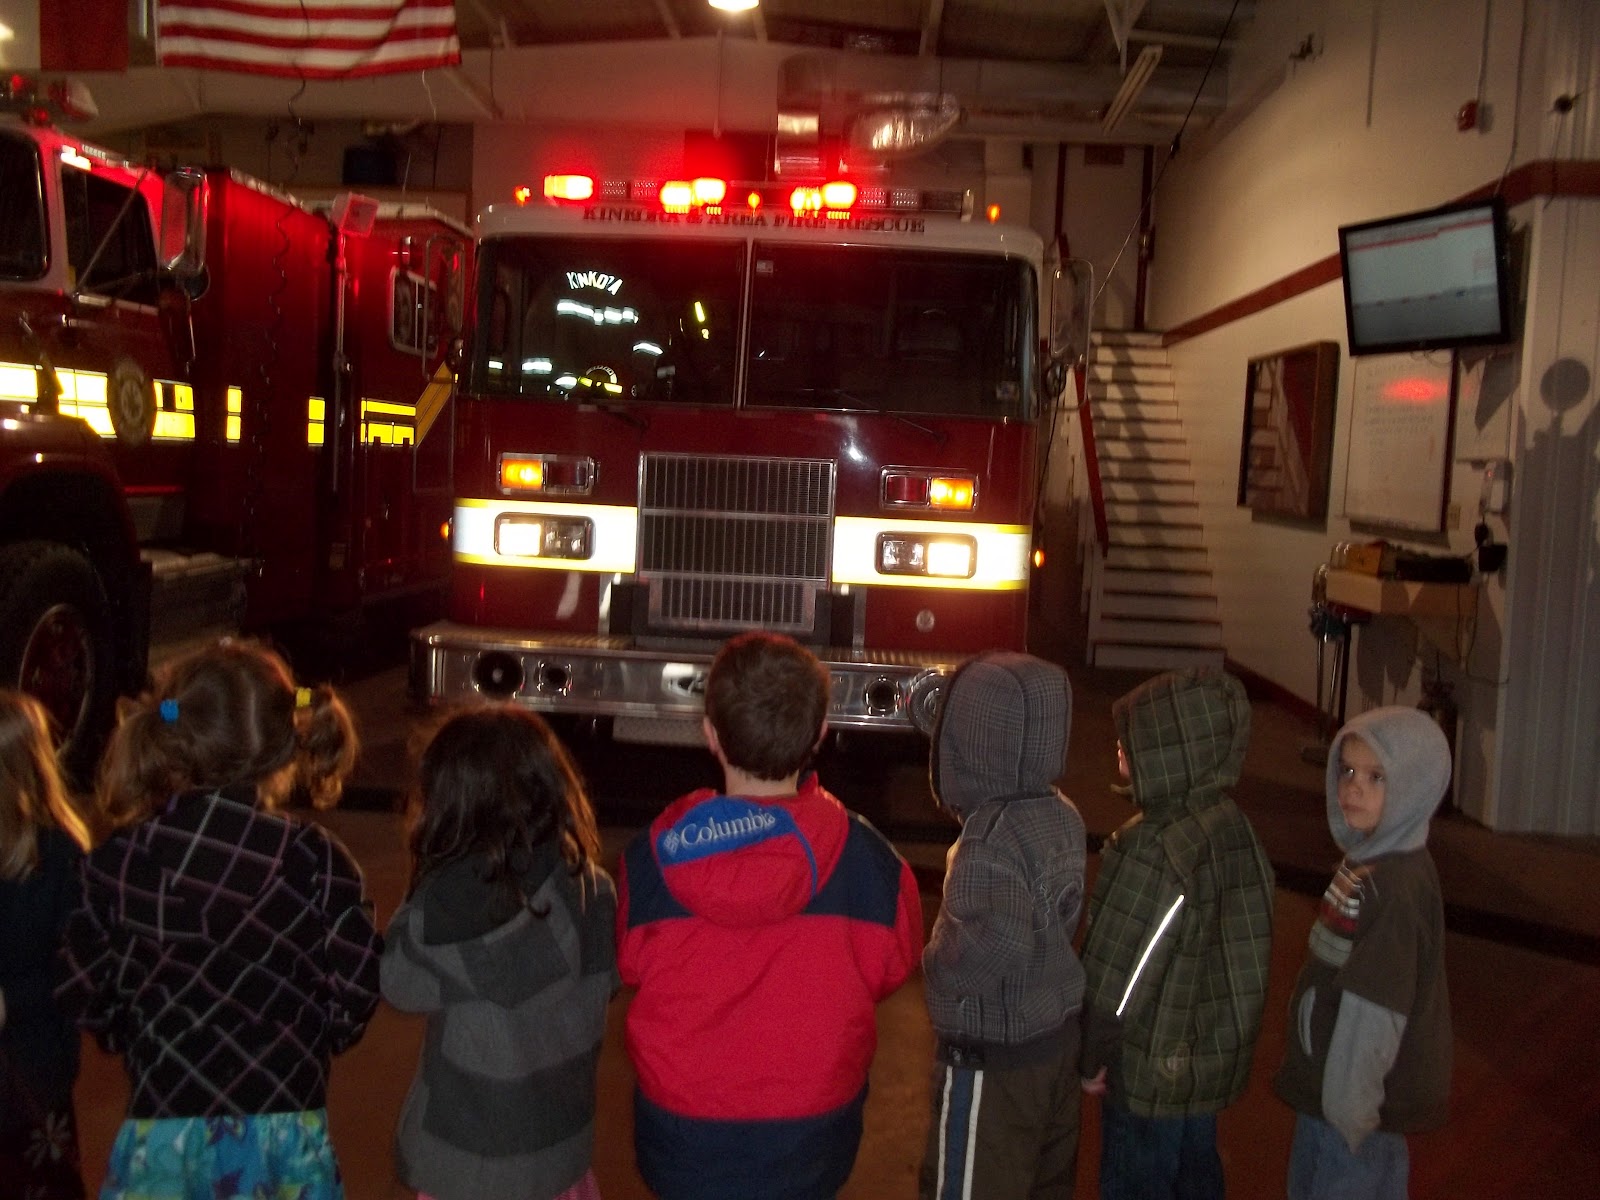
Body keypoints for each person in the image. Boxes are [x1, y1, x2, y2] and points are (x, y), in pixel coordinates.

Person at [55, 638, 381, 1200]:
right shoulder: (315, 862)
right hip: (284, 1139)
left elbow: (83, 987)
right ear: (285, 741)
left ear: (173, 736)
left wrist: (133, 1030)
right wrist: (305, 1037)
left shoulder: (121, 860)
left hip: (163, 1136)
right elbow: (356, 991)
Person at [616, 632, 922, 1200]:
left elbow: (629, 964)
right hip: (812, 1140)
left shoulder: (651, 858)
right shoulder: (870, 861)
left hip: (682, 1138)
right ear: (820, 734)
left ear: (710, 734)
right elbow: (891, 967)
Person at [381, 705, 618, 1200]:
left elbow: (398, 983)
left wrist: (427, 874)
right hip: (559, 1156)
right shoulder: (594, 890)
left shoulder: (442, 914)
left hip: (467, 1166)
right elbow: (608, 983)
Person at [1077, 666, 1276, 1200]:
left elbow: (1119, 976)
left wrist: (1089, 1055)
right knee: (1196, 1175)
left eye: (1135, 738)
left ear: (1173, 751)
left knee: (1138, 1180)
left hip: (1148, 1072)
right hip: (1204, 1063)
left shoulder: (1153, 848)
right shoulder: (1233, 826)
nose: (1120, 747)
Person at [920, 650, 1088, 1200]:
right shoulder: (1062, 812)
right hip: (1053, 1042)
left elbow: (994, 943)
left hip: (992, 1061)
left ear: (969, 744)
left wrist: (938, 962)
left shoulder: (988, 840)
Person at [1274, 706, 1453, 1200]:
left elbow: (1376, 1009)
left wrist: (1350, 1110)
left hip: (1353, 1110)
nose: (1353, 788)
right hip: (1333, 1088)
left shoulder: (1393, 889)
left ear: (1414, 789)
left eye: (1376, 777)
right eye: (1348, 770)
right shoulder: (1370, 863)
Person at [0, 691, 93, 1199]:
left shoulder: (58, 855)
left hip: (31, 1071)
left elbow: (74, 972)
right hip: (38, 1068)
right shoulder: (61, 852)